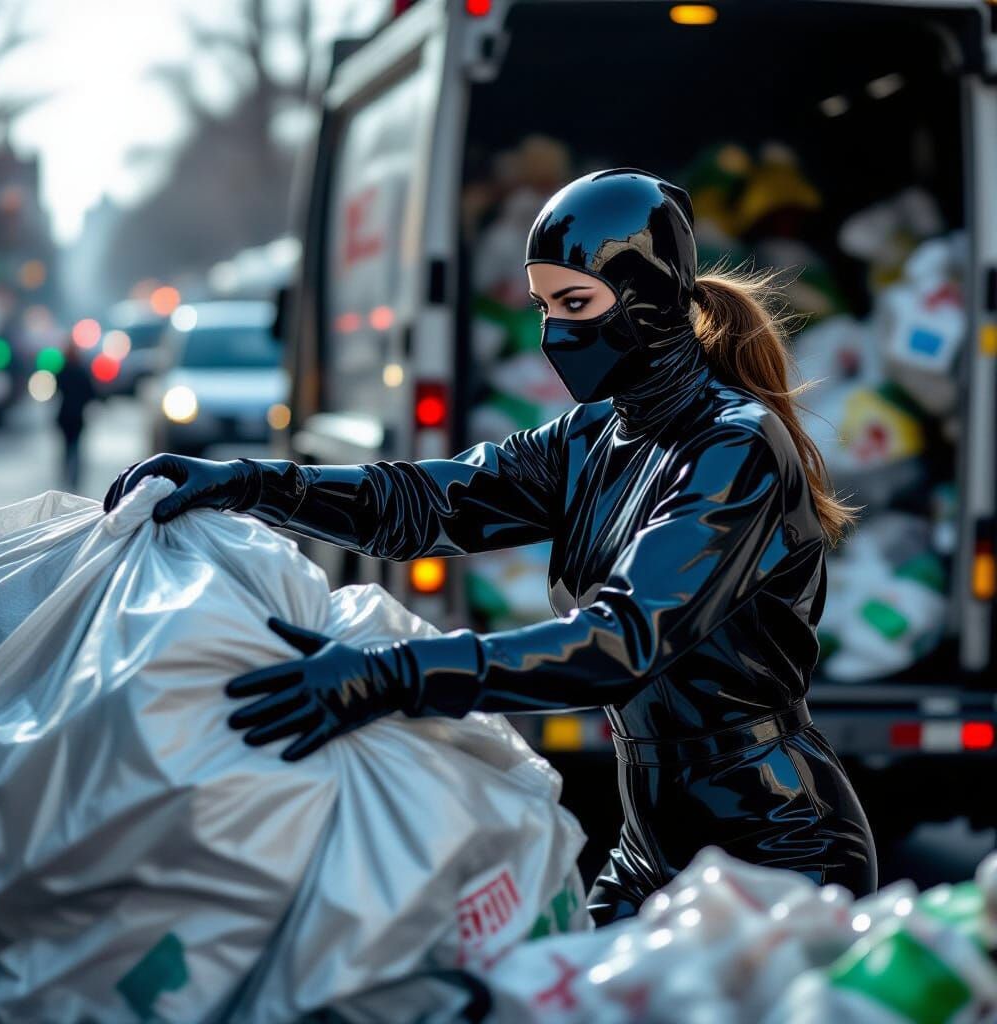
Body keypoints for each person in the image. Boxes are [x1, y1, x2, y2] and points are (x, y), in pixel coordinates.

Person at [105, 168, 878, 919]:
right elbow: (417, 502)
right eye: (542, 305)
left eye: (575, 303)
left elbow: (622, 642)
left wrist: (392, 675)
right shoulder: (590, 439)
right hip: (650, 843)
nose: (553, 333)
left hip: (779, 845)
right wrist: (249, 483)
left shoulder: (732, 446)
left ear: (649, 299)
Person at [54, 339, 97, 489]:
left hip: (64, 415)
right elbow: (91, 393)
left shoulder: (61, 371)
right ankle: (74, 477)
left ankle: (66, 474)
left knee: (66, 447)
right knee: (76, 447)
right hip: (77, 416)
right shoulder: (82, 372)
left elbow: (55, 391)